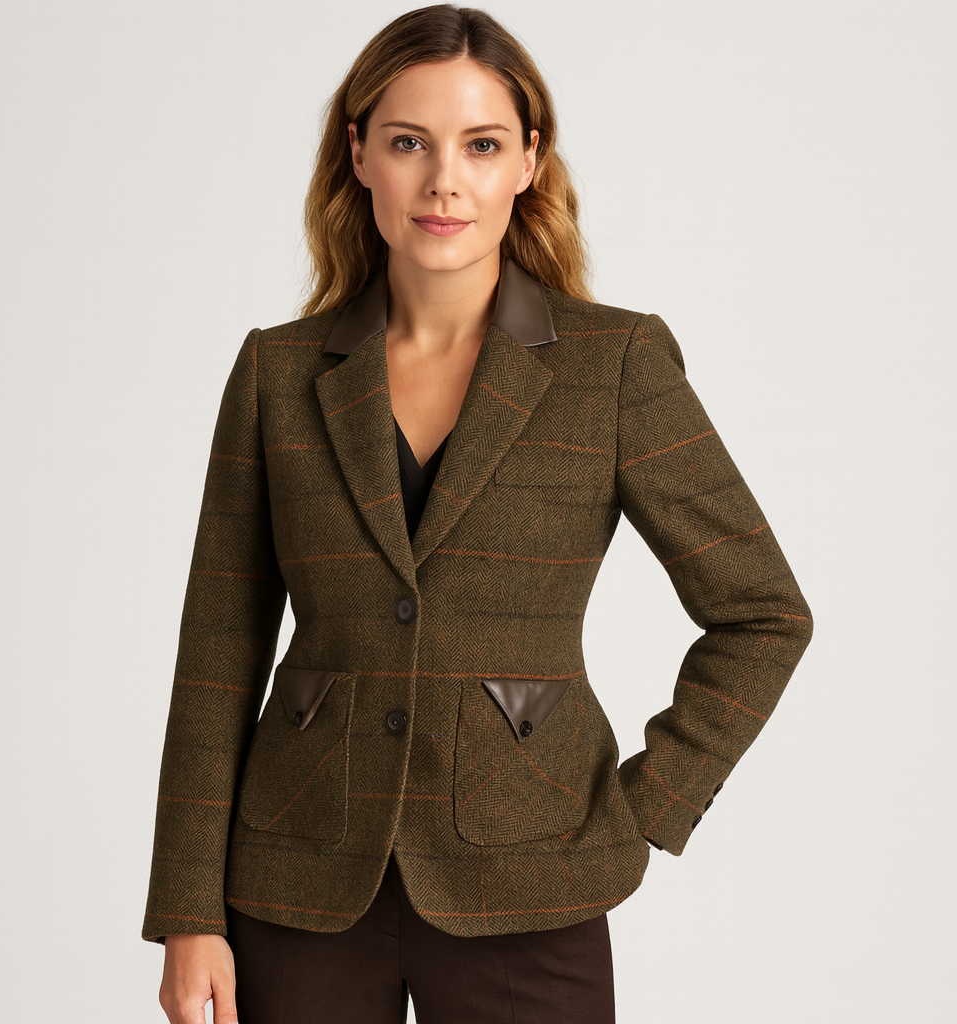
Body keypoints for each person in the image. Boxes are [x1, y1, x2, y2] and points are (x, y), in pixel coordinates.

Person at [143, 6, 813, 1023]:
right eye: (409, 142)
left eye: (482, 145)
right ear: (359, 155)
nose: (444, 182)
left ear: (529, 161)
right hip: (299, 875)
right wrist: (189, 911)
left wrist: (641, 809)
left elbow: (763, 612)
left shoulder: (614, 364)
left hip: (530, 873)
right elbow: (217, 651)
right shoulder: (279, 372)